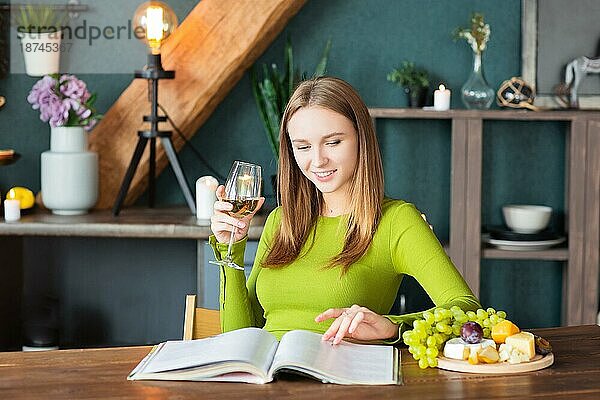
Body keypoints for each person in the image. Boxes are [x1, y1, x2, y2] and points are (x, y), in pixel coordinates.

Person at [210, 76, 480, 344]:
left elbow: (467, 310)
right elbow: (238, 337)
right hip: (269, 379)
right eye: (303, 147)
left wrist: (392, 327)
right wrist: (230, 247)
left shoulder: (396, 220)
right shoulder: (280, 221)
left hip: (340, 380)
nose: (318, 160)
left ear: (361, 138)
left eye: (333, 142)